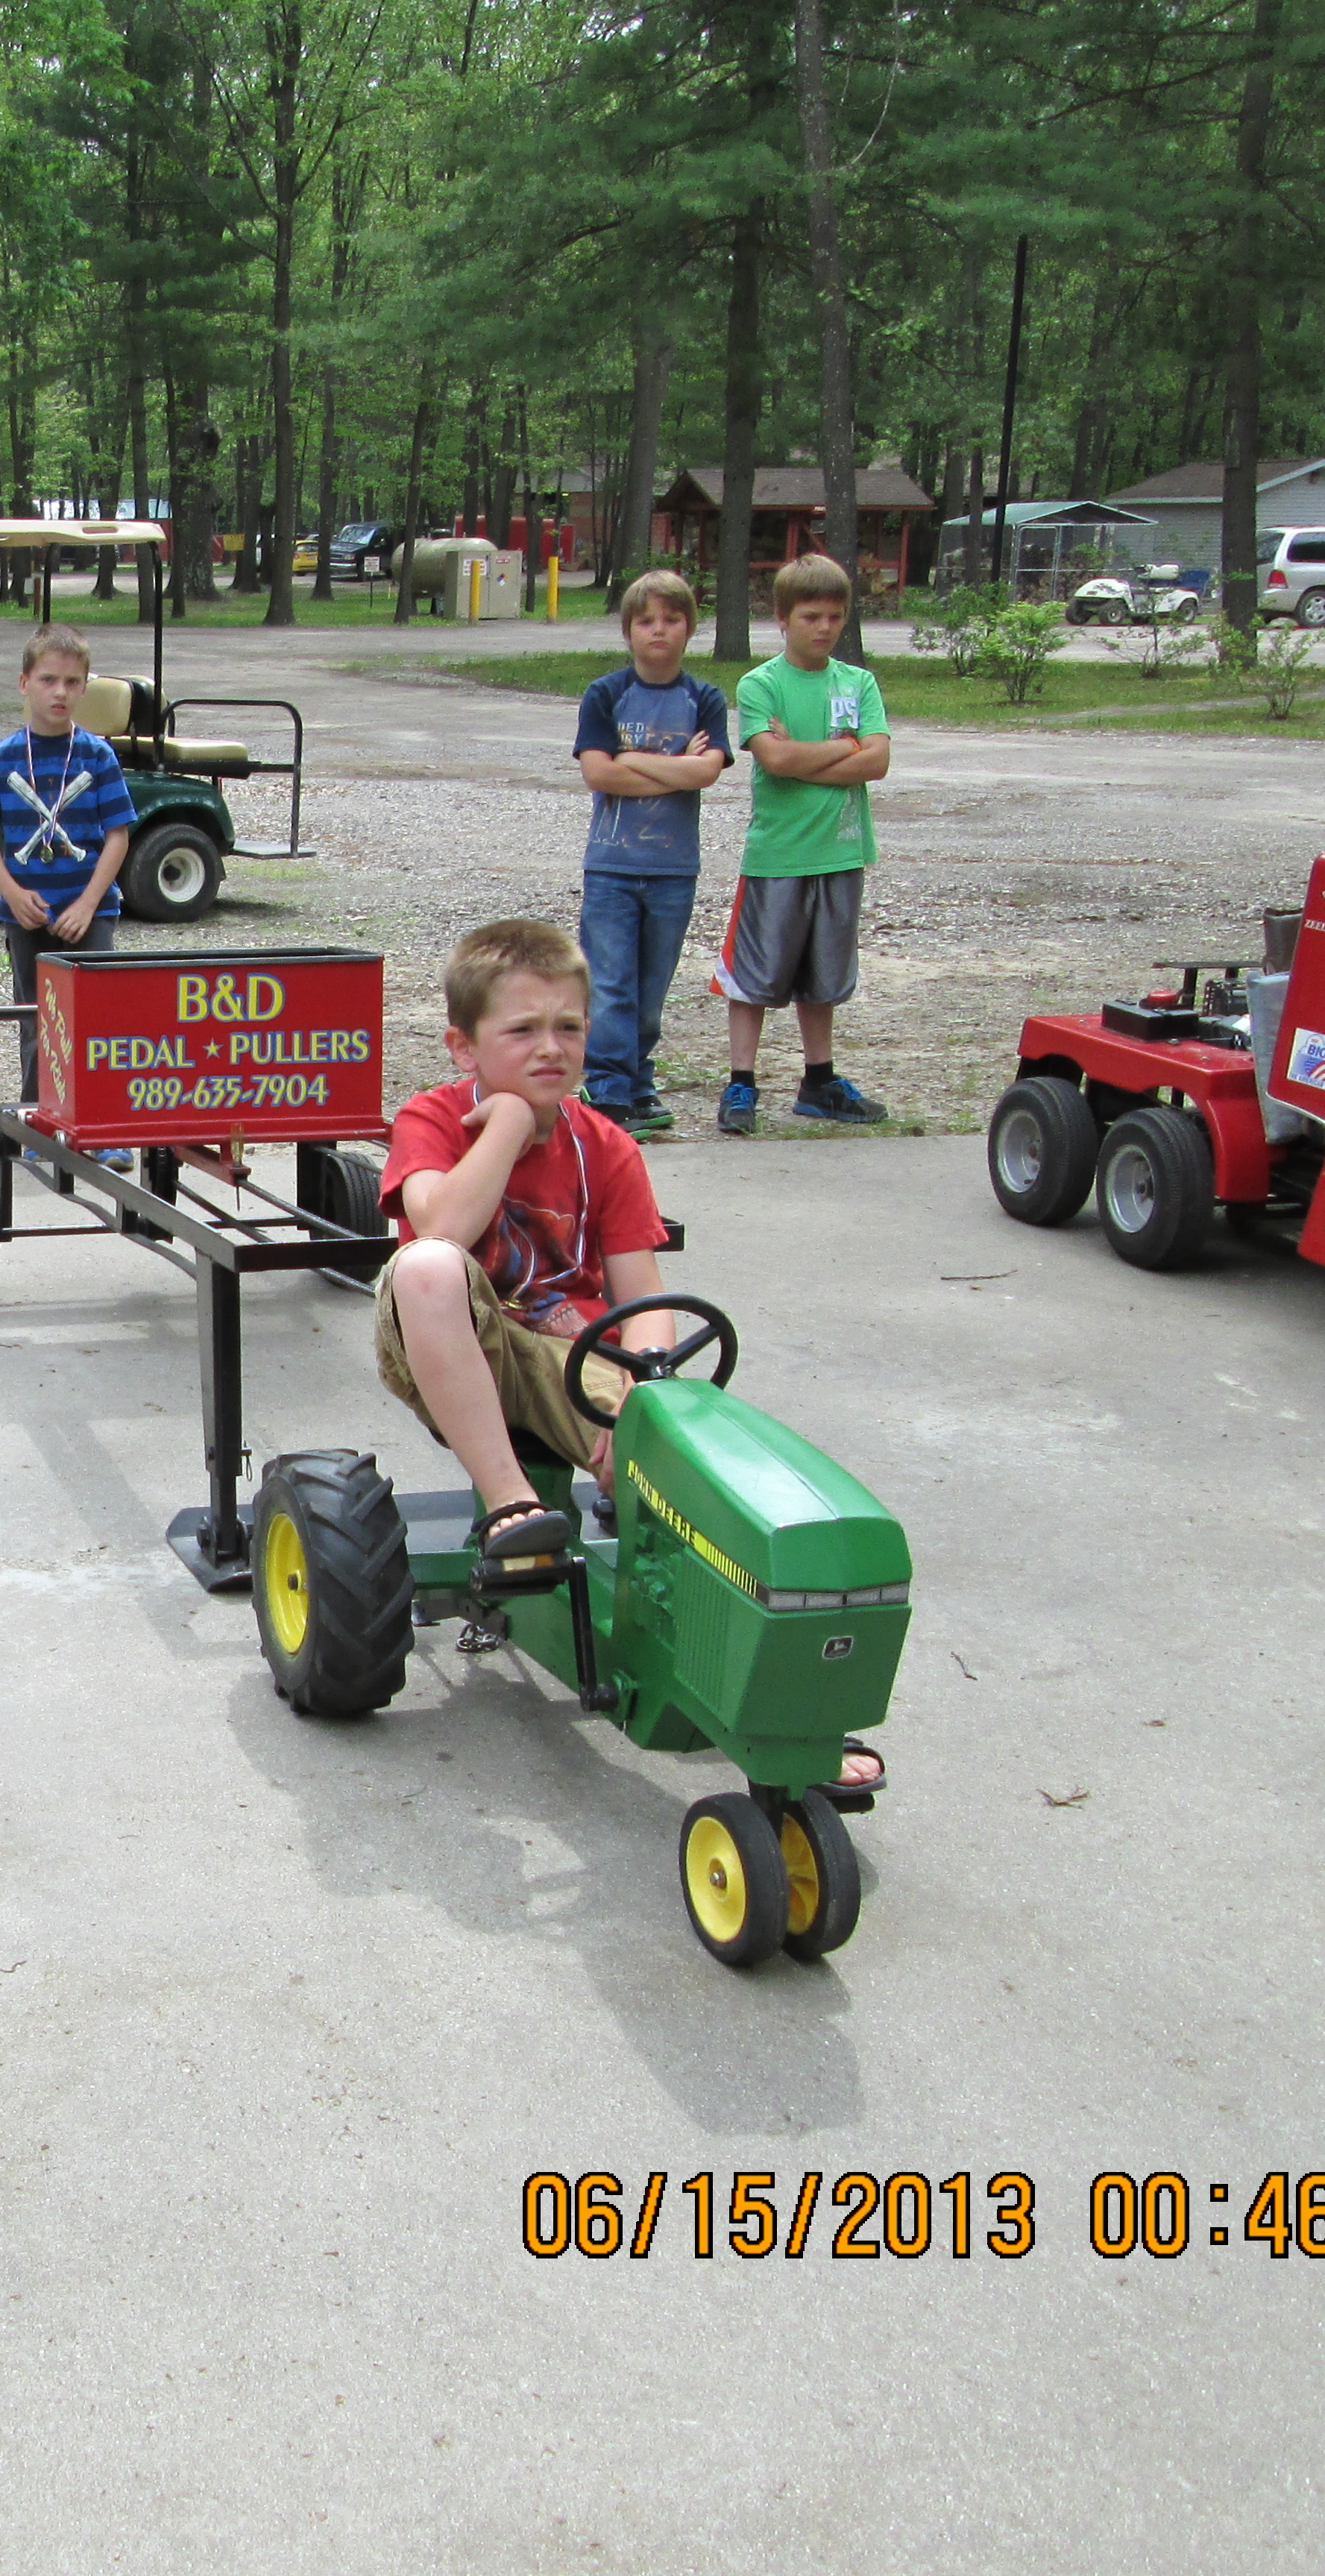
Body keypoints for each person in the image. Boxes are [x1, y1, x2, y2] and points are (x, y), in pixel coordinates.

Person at [374, 918, 884, 1799]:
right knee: (426, 1267)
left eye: (569, 1027)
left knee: (684, 1461)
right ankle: (512, 1510)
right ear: (464, 1047)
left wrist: (647, 1404)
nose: (551, 1048)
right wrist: (506, 1125)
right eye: (522, 1030)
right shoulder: (434, 1120)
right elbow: (442, 1227)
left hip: (569, 1355)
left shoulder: (607, 1148)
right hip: (451, 1337)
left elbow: (642, 1300)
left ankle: (783, 1707)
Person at [711, 553, 890, 1133]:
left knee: (825, 975)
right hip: (779, 855)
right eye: (811, 616)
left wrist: (807, 756)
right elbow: (775, 759)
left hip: (841, 850)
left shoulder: (858, 682)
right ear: (783, 618)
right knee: (756, 975)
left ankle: (819, 1081)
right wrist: (846, 747)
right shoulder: (761, 684)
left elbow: (879, 761)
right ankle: (742, 1083)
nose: (825, 628)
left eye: (835, 616)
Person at [572, 568, 729, 1136]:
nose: (658, 630)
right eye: (646, 621)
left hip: (673, 869)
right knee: (610, 981)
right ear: (628, 631)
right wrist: (676, 765)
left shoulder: (704, 699)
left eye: (671, 619)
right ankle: (607, 1087)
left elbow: (707, 772)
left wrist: (632, 760)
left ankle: (639, 1081)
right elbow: (598, 773)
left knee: (652, 986)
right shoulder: (606, 695)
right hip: (612, 867)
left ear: (690, 628)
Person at [0, 623, 135, 1124]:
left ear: (84, 688)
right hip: (27, 915)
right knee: (38, 1022)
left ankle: (101, 1127)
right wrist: (13, 894)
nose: (60, 692)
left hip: (89, 912)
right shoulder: (3, 760)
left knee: (97, 1021)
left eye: (72, 682)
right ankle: (40, 1122)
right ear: (25, 683)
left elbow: (118, 835)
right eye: (48, 680)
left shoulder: (97, 757)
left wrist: (88, 904)